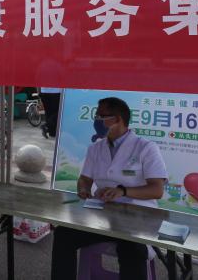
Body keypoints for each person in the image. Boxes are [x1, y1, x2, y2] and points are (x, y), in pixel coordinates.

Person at [50, 97, 168, 280]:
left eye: (101, 116)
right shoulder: (96, 148)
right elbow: (84, 179)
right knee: (63, 235)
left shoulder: (146, 147)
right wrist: (83, 190)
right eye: (96, 116)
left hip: (136, 219)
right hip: (101, 216)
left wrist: (123, 191)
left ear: (118, 119)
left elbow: (156, 190)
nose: (96, 120)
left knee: (133, 250)